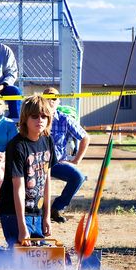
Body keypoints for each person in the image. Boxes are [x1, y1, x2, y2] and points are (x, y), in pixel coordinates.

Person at [0, 94, 56, 248]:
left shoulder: (48, 140)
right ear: (25, 119)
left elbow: (46, 179)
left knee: (40, 255)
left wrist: (47, 216)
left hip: (36, 212)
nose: (40, 120)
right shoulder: (16, 146)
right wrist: (22, 226)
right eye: (35, 116)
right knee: (18, 256)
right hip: (13, 212)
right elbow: (18, 187)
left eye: (44, 116)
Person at [43, 87, 90, 223]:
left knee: (78, 177)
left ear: (58, 102)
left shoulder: (64, 119)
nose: (51, 101)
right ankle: (32, 211)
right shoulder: (35, 117)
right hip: (36, 161)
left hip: (57, 163)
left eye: (54, 98)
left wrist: (76, 161)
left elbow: (85, 137)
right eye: (47, 98)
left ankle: (56, 207)